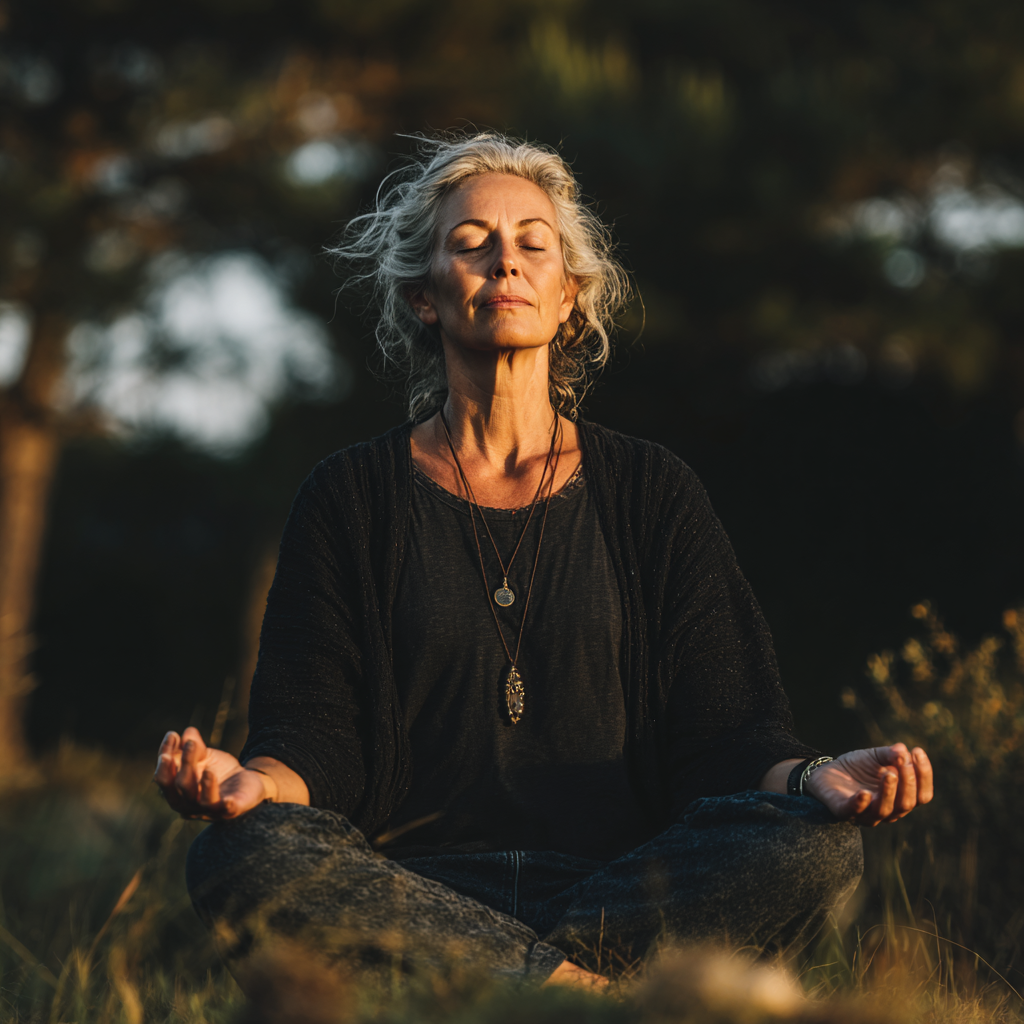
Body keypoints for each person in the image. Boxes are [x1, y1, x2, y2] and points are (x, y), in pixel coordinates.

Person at [154, 133, 933, 990]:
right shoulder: (349, 496)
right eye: (471, 244)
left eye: (534, 243)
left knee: (815, 847)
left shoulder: (651, 489)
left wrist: (821, 776)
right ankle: (591, 1000)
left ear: (569, 297)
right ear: (424, 295)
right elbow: (313, 737)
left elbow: (729, 735)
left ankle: (500, 989)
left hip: (625, 891)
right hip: (415, 886)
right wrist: (247, 784)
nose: (506, 263)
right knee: (238, 853)